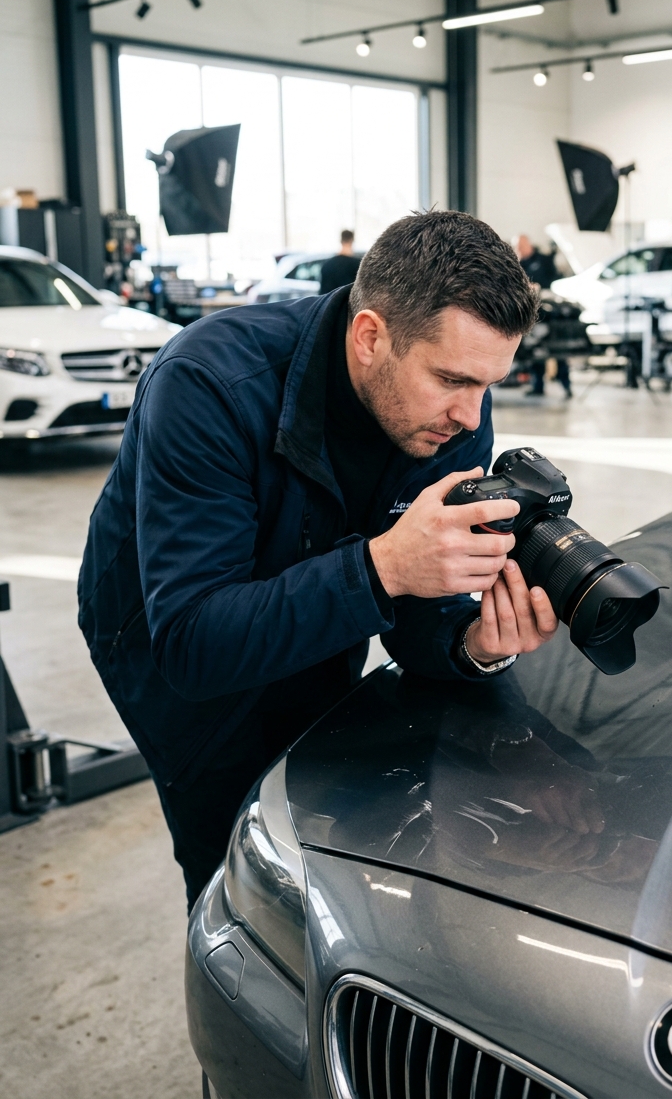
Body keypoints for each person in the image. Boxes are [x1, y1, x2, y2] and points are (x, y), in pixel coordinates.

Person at [77, 211, 560, 910]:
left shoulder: (453, 411)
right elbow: (192, 645)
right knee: (235, 866)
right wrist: (383, 569)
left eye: (489, 384)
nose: (471, 415)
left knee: (340, 834)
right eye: (452, 379)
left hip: (321, 606)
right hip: (164, 645)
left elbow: (419, 608)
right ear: (370, 337)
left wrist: (468, 641)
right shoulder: (209, 384)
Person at [516, 234, 572, 399]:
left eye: (520, 246)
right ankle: (537, 386)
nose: (518, 250)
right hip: (534, 315)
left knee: (559, 353)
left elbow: (555, 280)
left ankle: (566, 386)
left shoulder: (544, 260)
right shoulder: (520, 264)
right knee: (535, 352)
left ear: (528, 245)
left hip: (551, 313)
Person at [319, 228, 361, 294]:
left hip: (330, 303)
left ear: (341, 241)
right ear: (351, 241)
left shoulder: (327, 265)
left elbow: (322, 293)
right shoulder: (358, 265)